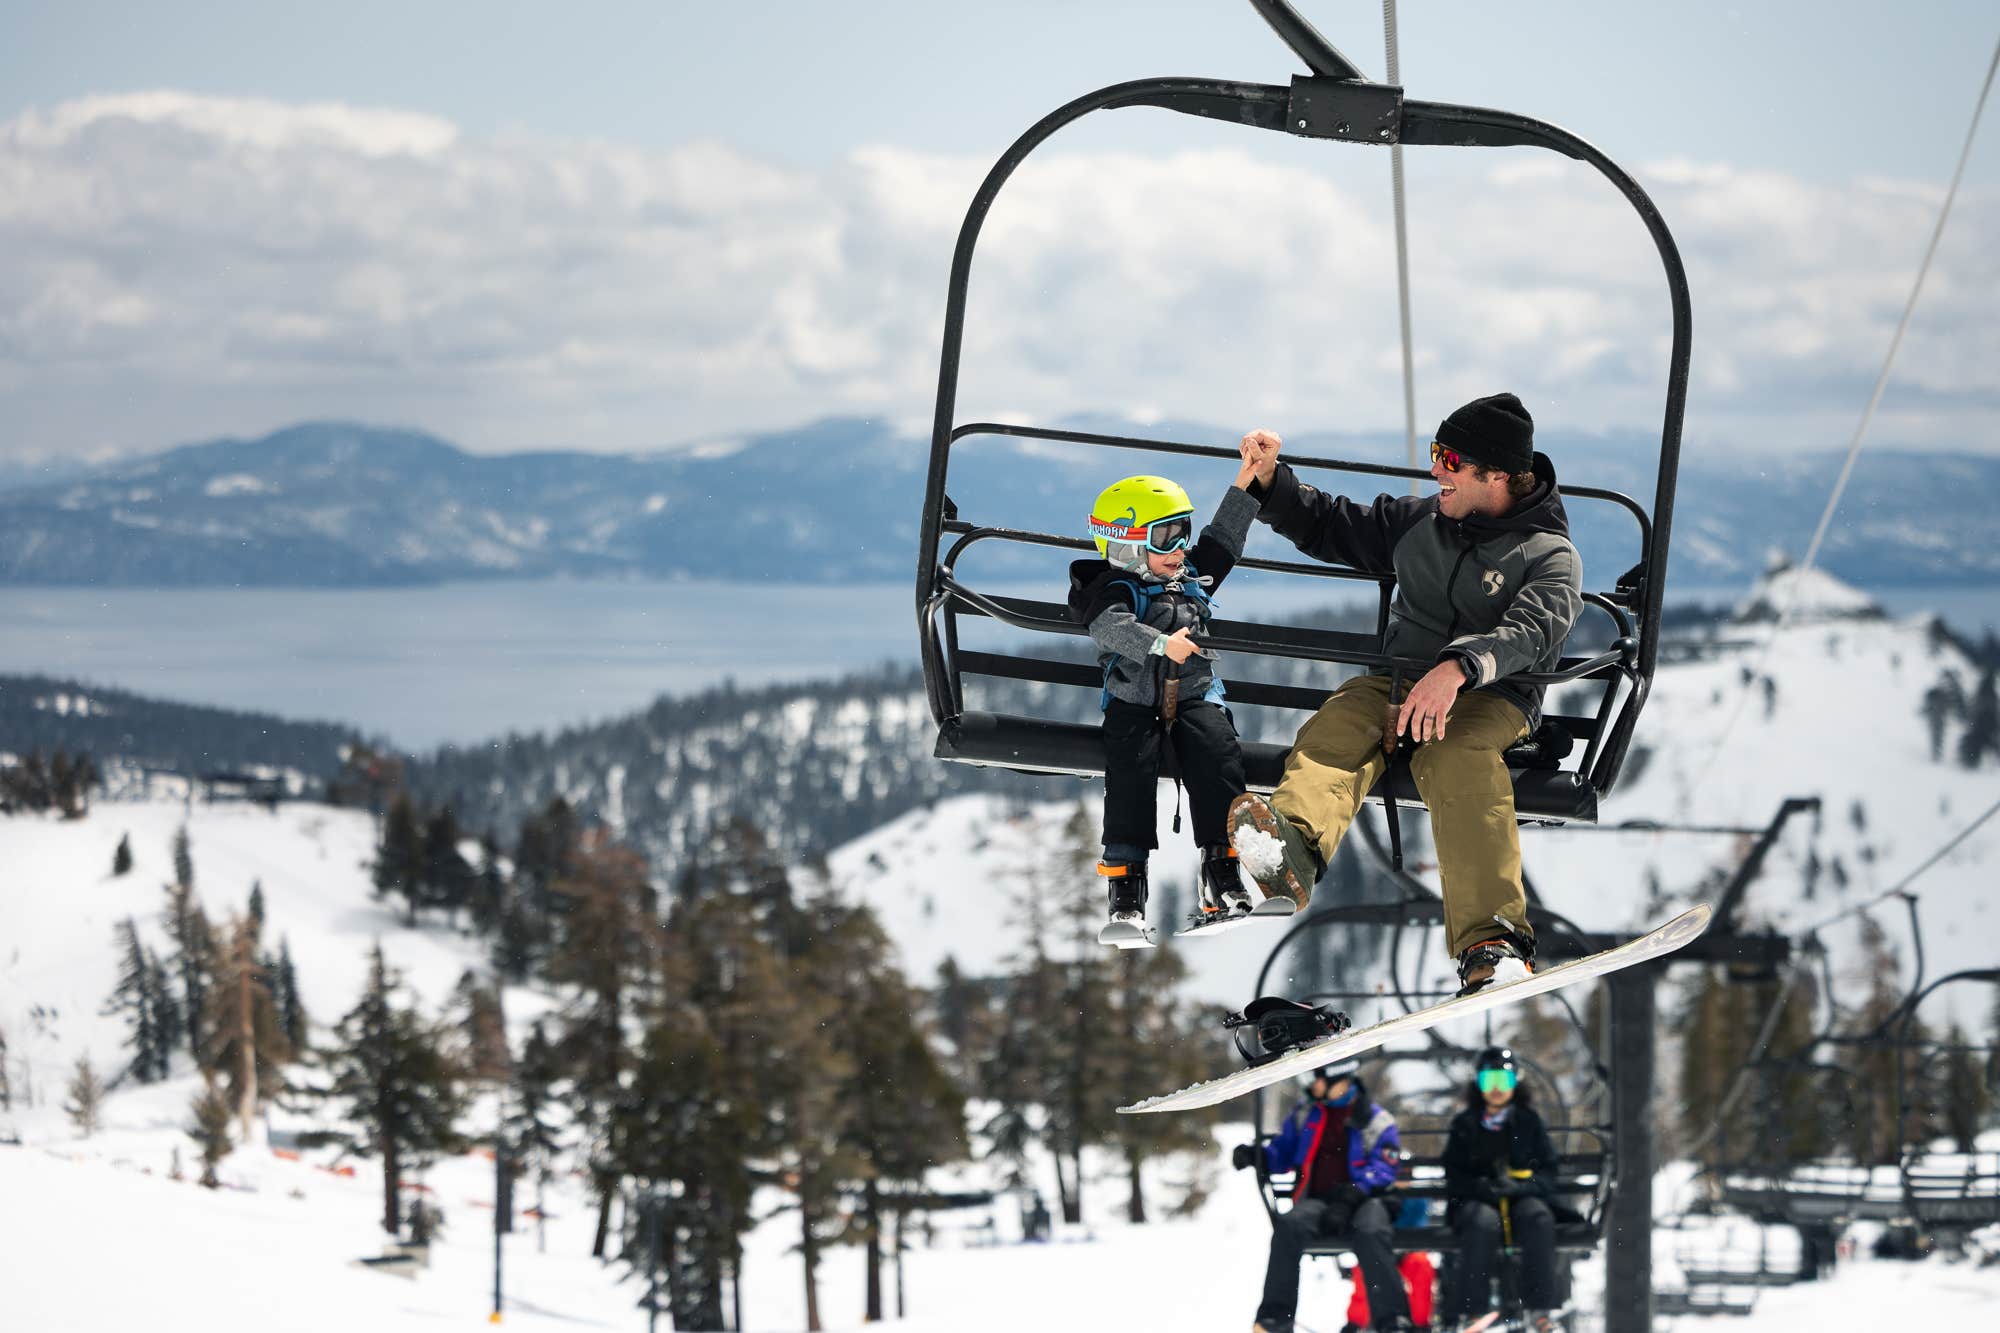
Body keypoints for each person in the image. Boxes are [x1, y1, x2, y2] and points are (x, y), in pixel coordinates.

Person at [1225, 394, 1584, 992]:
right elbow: (1335, 525)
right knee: (1339, 723)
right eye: (1435, 453)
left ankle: (1492, 939)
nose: (1435, 468)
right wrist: (1271, 484)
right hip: (1398, 683)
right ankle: (1288, 852)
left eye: (1448, 457)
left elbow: (1532, 630)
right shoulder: (1423, 523)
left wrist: (1460, 668)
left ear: (1495, 474)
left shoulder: (1549, 555)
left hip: (1491, 698)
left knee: (1455, 758)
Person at [1068, 459, 1262, 945]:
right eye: (1165, 537)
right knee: (1130, 774)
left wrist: (1247, 482)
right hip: (1135, 703)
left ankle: (1222, 868)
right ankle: (1127, 887)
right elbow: (1109, 627)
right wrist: (1158, 643)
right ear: (1127, 544)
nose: (1179, 548)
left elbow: (1224, 540)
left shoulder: (1190, 576)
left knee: (1219, 758)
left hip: (1196, 697)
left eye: (1182, 533)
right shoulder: (1114, 587)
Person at [1233, 1057, 1415, 1333]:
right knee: (1289, 1226)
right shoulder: (1307, 1114)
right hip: (1319, 1201)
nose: (1311, 1086)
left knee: (1371, 1232)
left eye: (1316, 1079)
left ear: (1337, 1080)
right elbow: (1282, 1153)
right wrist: (1256, 1156)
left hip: (1368, 1200)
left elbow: (1384, 1169)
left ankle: (1392, 1321)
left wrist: (1352, 1194)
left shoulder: (1376, 1120)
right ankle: (1275, 1318)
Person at [1440, 1047, 1563, 1331]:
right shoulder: (1465, 1125)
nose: (1496, 1090)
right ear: (1478, 1084)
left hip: (1520, 1197)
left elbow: (1549, 1170)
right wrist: (1479, 1186)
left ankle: (1539, 1308)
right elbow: (1454, 1174)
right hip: (1477, 1199)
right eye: (1488, 1082)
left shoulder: (1529, 1122)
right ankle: (1474, 1310)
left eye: (1503, 1082)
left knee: (1538, 1218)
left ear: (1515, 1084)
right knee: (1481, 1223)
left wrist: (1522, 1187)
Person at [1343, 1195, 1437, 1331]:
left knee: (1421, 1267)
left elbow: (1417, 1226)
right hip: (1382, 1249)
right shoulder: (1376, 1200)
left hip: (1407, 1250)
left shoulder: (1417, 1200)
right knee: (1366, 1272)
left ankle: (1419, 1323)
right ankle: (1355, 1323)